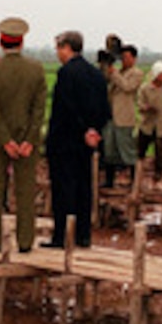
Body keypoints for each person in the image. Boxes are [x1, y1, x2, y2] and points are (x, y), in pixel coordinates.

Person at [0, 17, 47, 254]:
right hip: (27, 140)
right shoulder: (36, 70)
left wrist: (5, 140)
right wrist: (28, 139)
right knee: (25, 191)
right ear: (21, 42)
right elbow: (39, 110)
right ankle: (25, 241)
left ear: (1, 42)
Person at [44, 31, 108, 249]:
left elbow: (67, 109)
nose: (57, 54)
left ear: (66, 47)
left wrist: (83, 130)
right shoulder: (96, 74)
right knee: (84, 188)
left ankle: (61, 236)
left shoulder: (66, 74)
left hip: (65, 141)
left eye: (58, 48)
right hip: (87, 143)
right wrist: (94, 130)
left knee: (63, 190)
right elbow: (104, 109)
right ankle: (83, 235)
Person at [104, 44, 144, 187]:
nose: (124, 60)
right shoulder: (119, 72)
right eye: (122, 57)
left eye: (127, 57)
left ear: (134, 58)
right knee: (110, 151)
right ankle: (109, 181)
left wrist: (114, 73)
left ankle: (134, 182)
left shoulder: (136, 73)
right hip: (111, 117)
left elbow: (128, 87)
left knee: (127, 151)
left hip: (124, 118)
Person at [137, 61, 162, 183]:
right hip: (147, 124)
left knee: (161, 153)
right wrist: (146, 108)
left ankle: (158, 176)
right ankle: (136, 175)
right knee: (140, 150)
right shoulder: (145, 88)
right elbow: (140, 104)